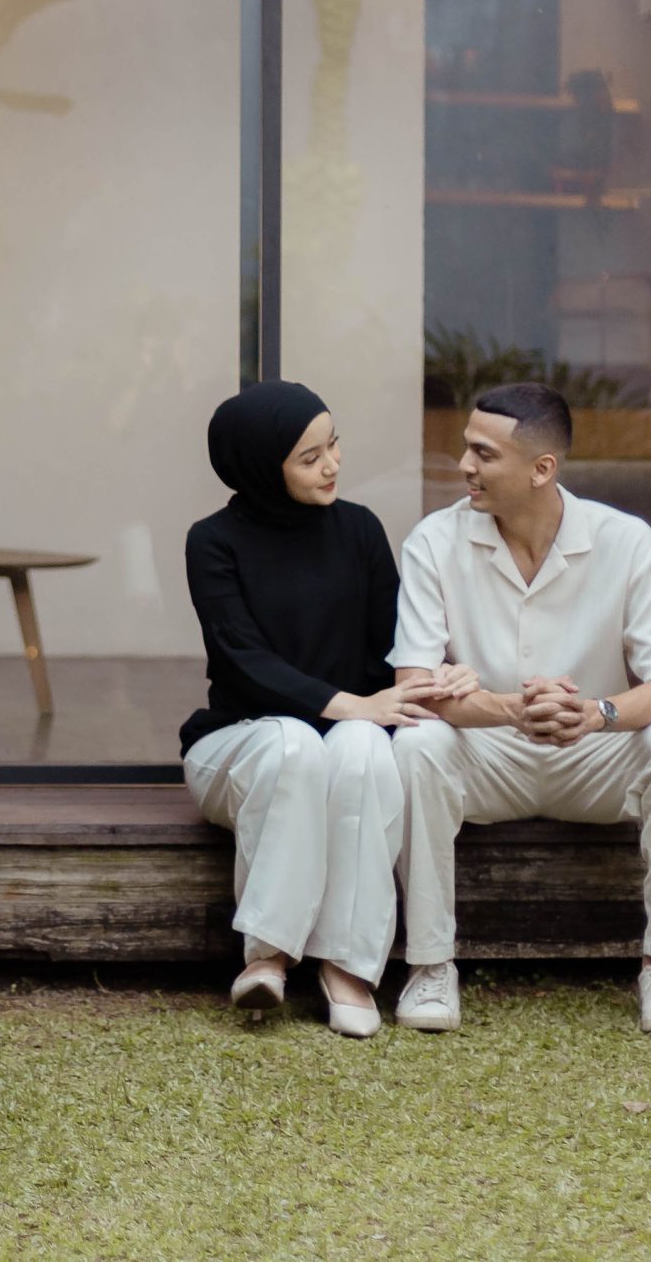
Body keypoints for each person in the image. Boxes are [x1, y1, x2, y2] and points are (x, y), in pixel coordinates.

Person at [387, 381, 651, 1036]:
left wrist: (595, 713)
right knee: (416, 745)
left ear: (542, 469)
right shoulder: (433, 541)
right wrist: (509, 709)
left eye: (484, 454)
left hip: (593, 754)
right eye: (466, 448)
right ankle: (429, 964)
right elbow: (413, 687)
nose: (464, 466)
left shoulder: (628, 542)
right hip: (488, 753)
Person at [180, 381, 454, 1038]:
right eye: (310, 457)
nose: (332, 464)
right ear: (260, 466)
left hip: (342, 739)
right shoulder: (213, 541)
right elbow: (243, 659)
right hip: (240, 743)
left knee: (361, 746)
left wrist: (441, 672)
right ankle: (269, 954)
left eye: (333, 445)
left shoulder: (359, 529)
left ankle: (347, 966)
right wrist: (353, 704)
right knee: (296, 742)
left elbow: (394, 642)